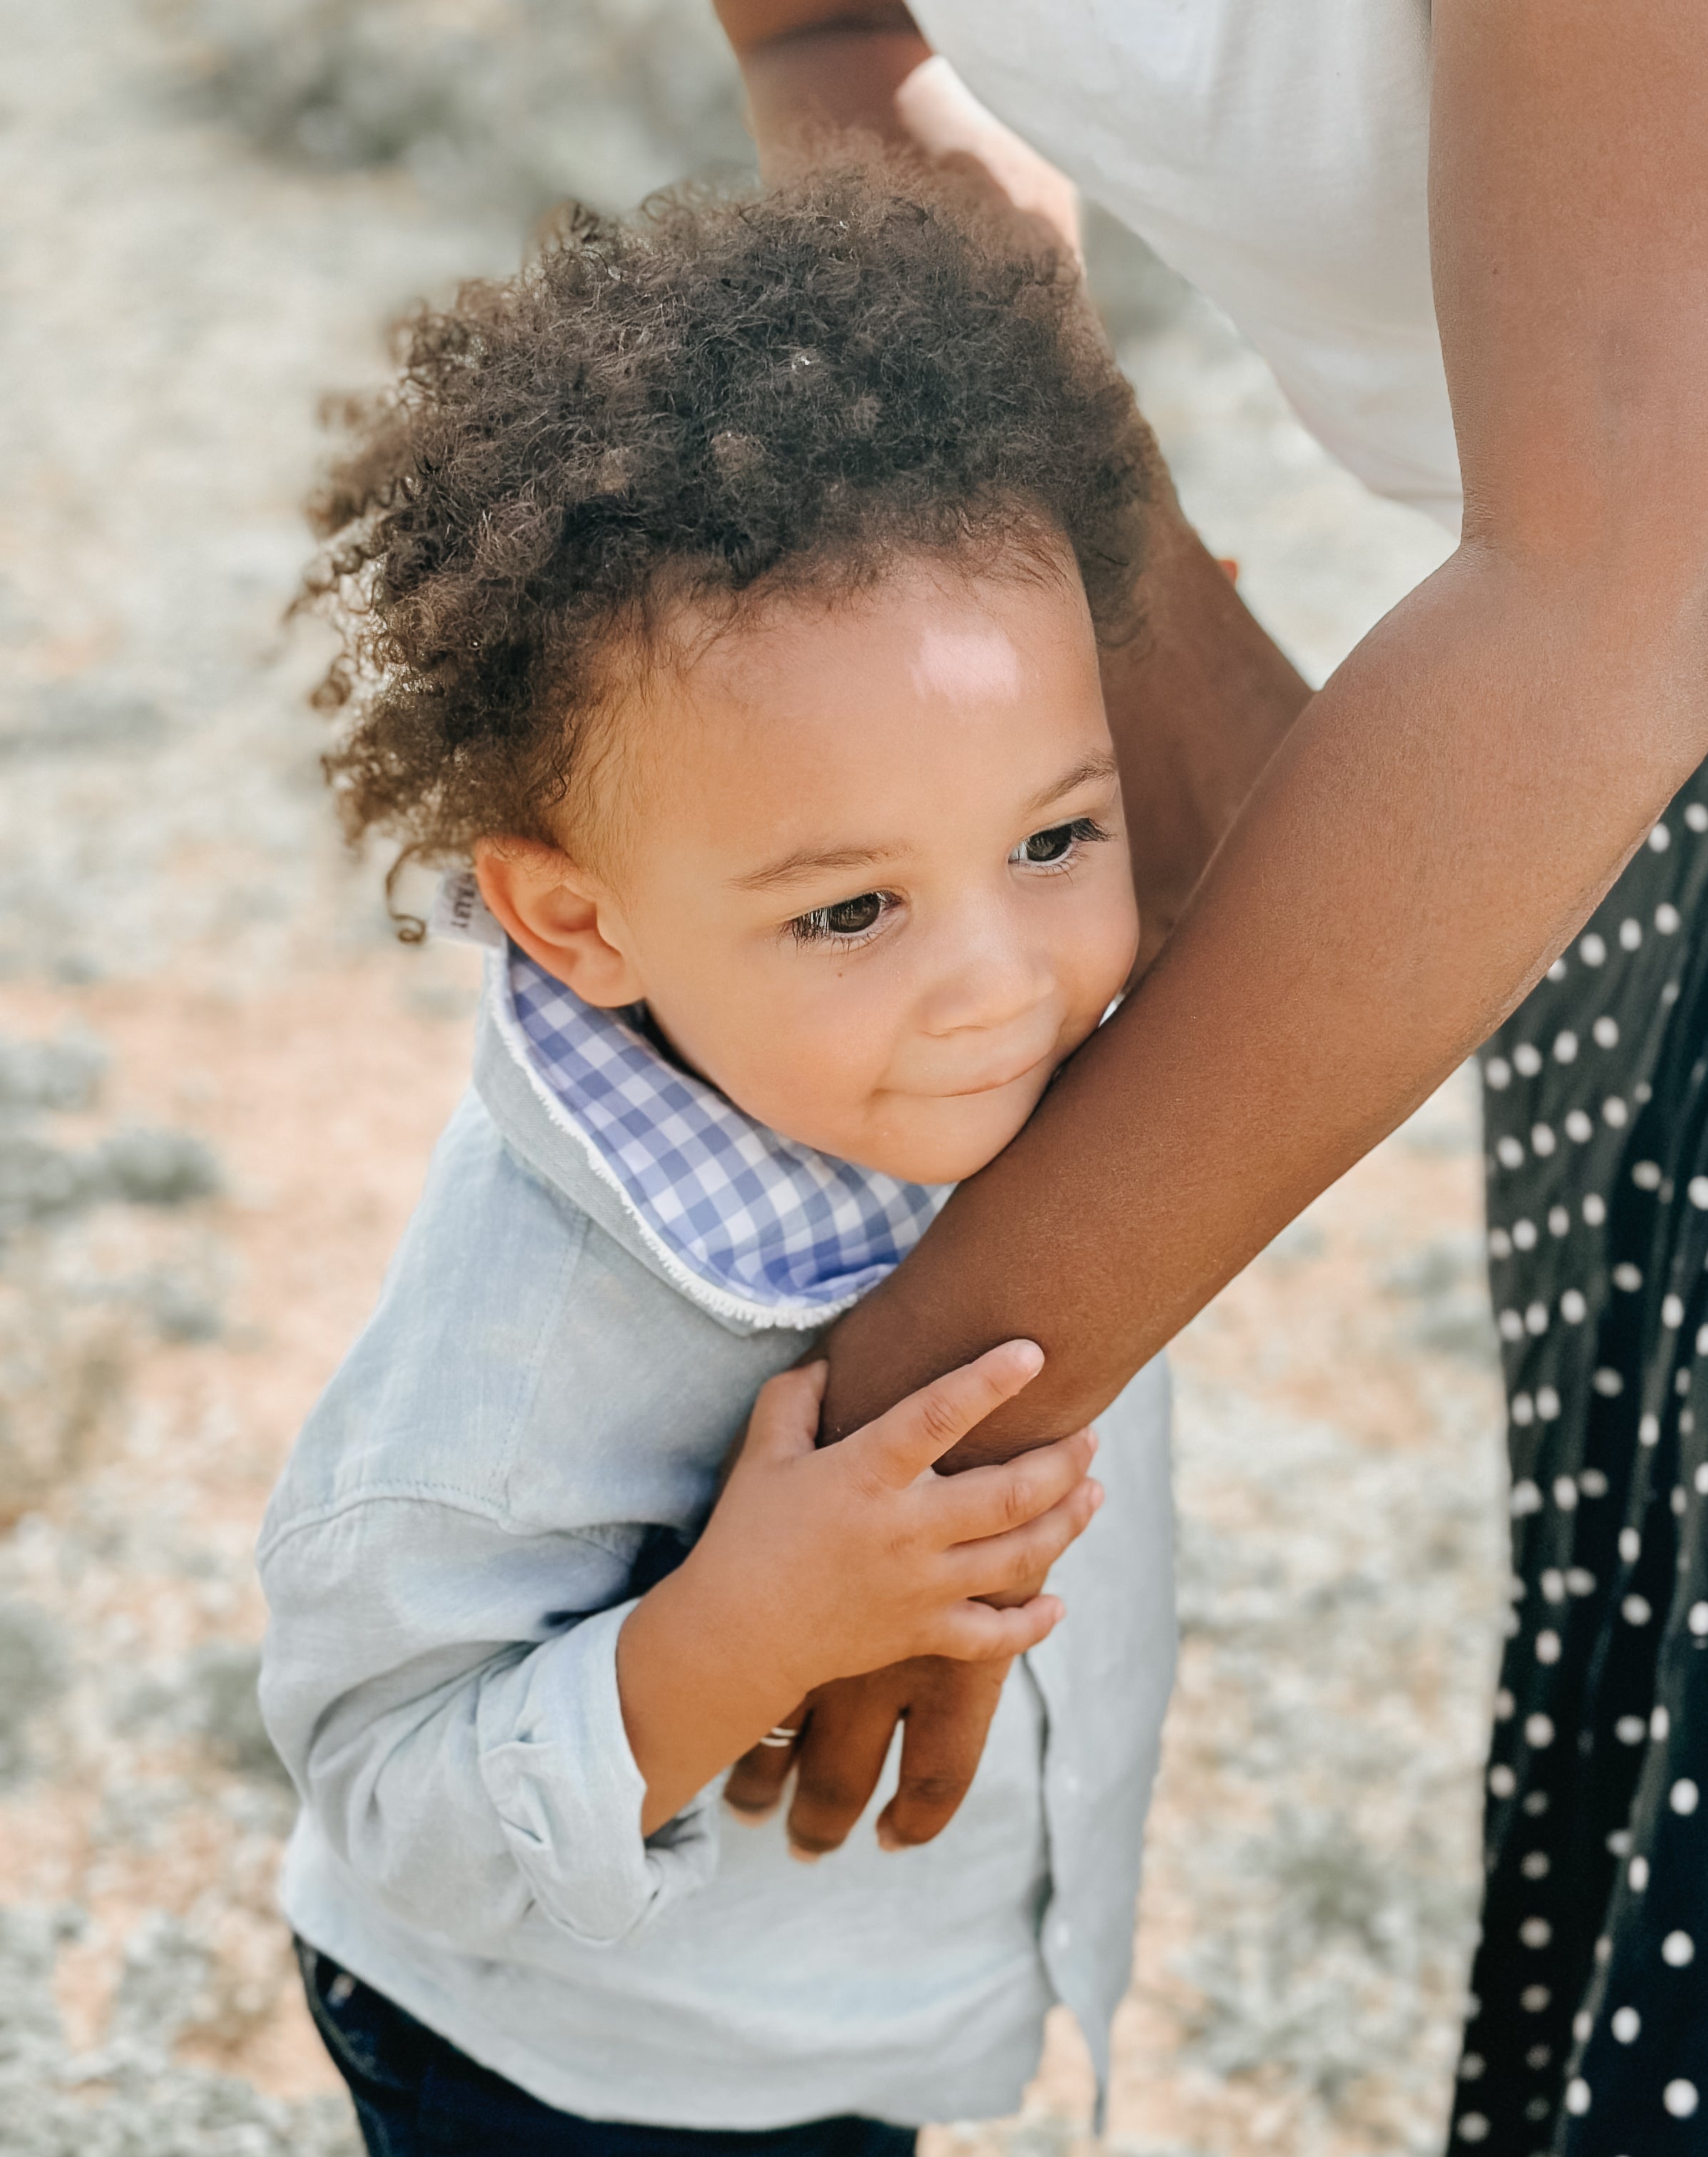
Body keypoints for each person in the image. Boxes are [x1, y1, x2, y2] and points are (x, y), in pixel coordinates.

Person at [702, 3, 1708, 2149]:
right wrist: (1191, 751)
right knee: (1696, 1697)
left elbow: (1648, 550)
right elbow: (835, 34)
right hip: (1629, 614)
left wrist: (935, 1410)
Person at [256, 171, 1180, 2153]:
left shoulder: (1078, 1086)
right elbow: (388, 1798)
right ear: (580, 925)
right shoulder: (527, 1349)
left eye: (1054, 841)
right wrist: (733, 1637)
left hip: (855, 2026)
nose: (998, 986)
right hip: (584, 2078)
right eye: (851, 912)